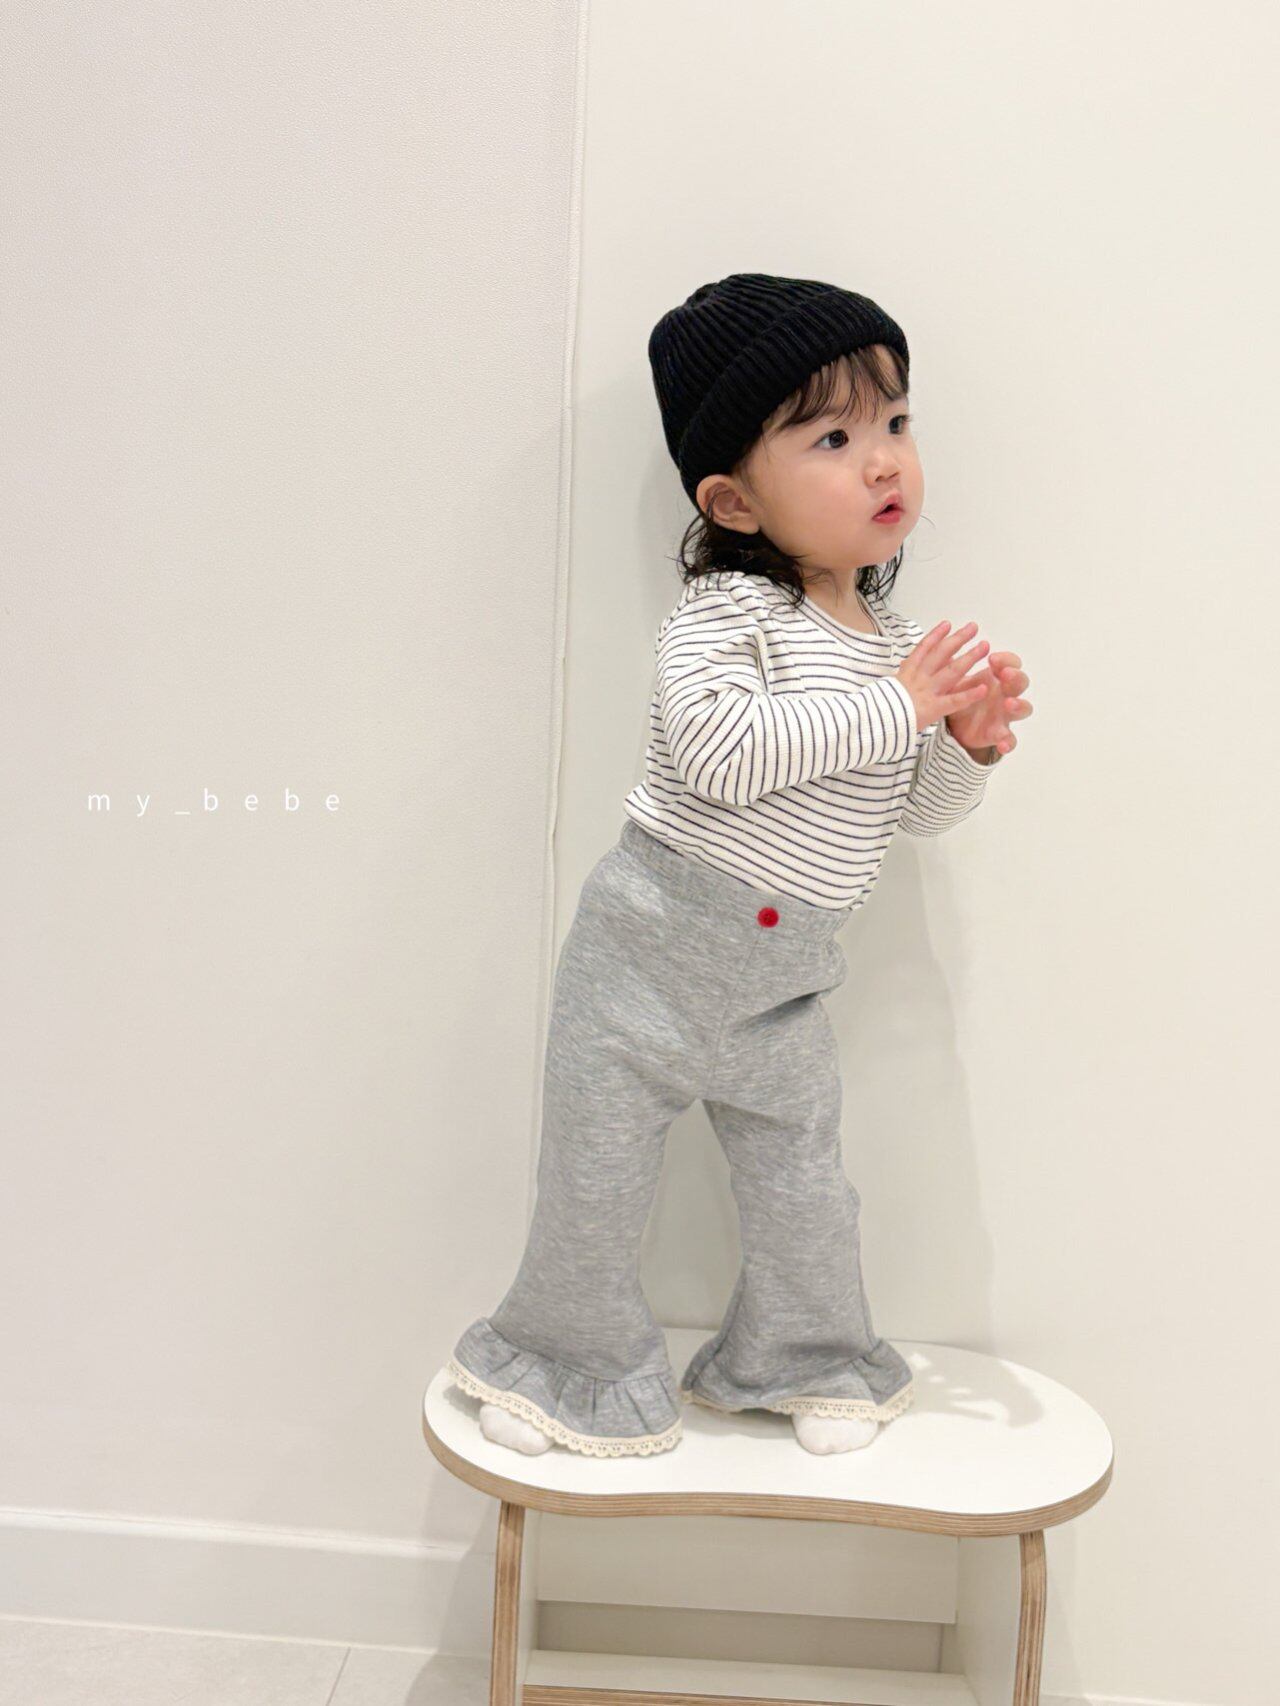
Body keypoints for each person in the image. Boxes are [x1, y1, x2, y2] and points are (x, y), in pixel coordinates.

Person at [444, 272, 1032, 1459]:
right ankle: (562, 1363)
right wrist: (901, 704)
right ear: (733, 499)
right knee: (594, 1185)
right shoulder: (726, 615)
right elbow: (720, 755)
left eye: (895, 421)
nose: (884, 460)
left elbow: (909, 811)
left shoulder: (891, 642)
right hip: (643, 965)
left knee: (805, 1185)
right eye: (832, 437)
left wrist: (961, 743)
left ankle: (803, 1356)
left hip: (778, 990)